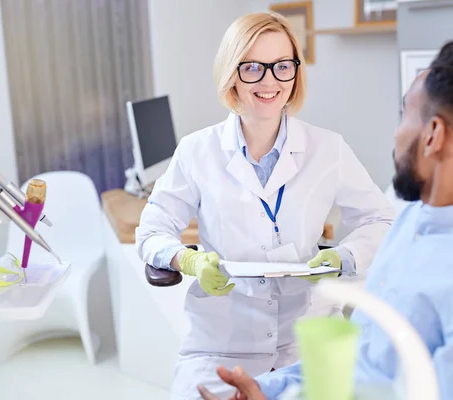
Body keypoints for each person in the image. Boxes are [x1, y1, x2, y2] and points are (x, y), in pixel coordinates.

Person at [197, 35, 453, 400]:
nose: (397, 134)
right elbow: (363, 361)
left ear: (433, 135)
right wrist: (267, 390)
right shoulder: (412, 222)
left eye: (405, 116)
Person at [135, 11, 395, 399]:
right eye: (253, 67)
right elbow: (151, 231)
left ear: (295, 73)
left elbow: (383, 218)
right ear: (232, 74)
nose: (270, 81)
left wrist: (344, 255)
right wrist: (186, 260)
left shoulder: (328, 148)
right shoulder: (196, 151)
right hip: (221, 341)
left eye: (282, 66)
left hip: (306, 336)